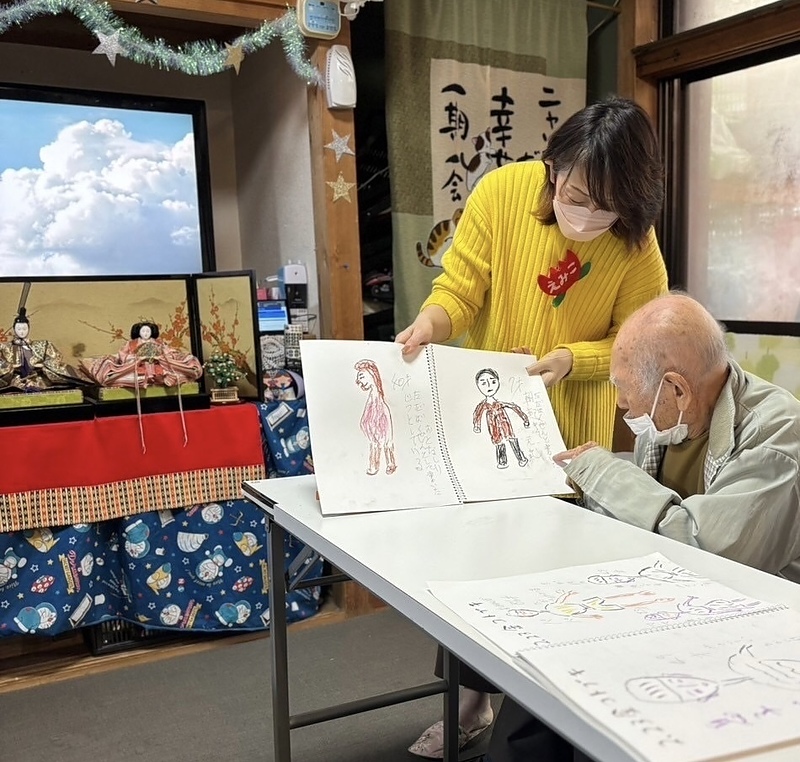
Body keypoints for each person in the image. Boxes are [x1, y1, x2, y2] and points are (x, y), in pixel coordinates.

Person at [400, 95, 669, 758]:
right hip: (487, 419)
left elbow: (639, 345)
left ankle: (544, 718)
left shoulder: (635, 240)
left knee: (553, 584)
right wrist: (430, 326)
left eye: (604, 206)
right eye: (577, 195)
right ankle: (470, 705)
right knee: (475, 569)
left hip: (571, 440)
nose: (586, 216)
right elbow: (461, 290)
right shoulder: (500, 194)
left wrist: (569, 361)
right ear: (552, 168)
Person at [485, 292, 800, 762]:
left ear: (676, 389)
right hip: (678, 596)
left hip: (755, 617)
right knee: (552, 646)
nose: (620, 406)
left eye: (624, 391)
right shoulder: (684, 418)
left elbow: (708, 551)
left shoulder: (777, 437)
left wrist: (605, 475)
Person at [80, 321, 202, 389]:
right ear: (138, 332)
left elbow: (169, 353)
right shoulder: (131, 343)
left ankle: (159, 379)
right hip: (137, 367)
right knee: (116, 376)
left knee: (182, 368)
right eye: (143, 331)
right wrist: (138, 358)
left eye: (148, 331)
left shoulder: (159, 343)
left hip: (158, 365)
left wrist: (160, 358)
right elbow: (123, 356)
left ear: (152, 332)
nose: (145, 333)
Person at [0, 308, 84, 392]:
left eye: (24, 329)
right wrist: (10, 367)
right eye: (19, 329)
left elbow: (55, 358)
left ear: (29, 329)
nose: (22, 332)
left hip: (40, 380)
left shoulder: (43, 345)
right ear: (14, 329)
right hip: (14, 382)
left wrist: (43, 365)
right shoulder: (5, 347)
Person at [354, 359, 397, 475]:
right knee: (374, 442)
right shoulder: (371, 403)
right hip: (373, 414)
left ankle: (389, 464)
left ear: (372, 375)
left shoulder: (381, 405)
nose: (358, 381)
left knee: (387, 440)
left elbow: (388, 437)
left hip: (380, 413)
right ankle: (374, 466)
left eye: (361, 376)